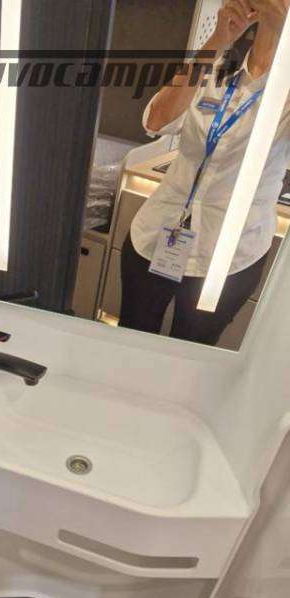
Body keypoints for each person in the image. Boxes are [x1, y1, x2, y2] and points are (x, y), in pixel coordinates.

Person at [120, 0, 290, 345]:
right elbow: (156, 121)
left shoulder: (283, 93)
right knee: (129, 343)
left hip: (229, 257)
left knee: (191, 357)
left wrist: (284, 36)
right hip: (157, 234)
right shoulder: (217, 67)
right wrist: (218, 39)